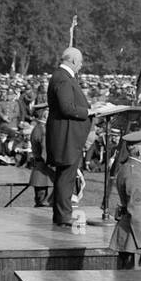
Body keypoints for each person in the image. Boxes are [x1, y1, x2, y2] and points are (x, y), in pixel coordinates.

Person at [46, 47, 90, 226]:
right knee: (65, 177)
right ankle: (63, 215)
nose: (81, 66)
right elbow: (66, 107)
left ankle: (62, 214)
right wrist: (89, 111)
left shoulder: (63, 77)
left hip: (67, 136)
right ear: (72, 61)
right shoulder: (63, 78)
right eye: (80, 62)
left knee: (66, 177)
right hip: (66, 137)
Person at [109, 130, 141, 269]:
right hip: (135, 238)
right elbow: (136, 211)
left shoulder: (132, 168)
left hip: (132, 235)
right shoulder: (134, 173)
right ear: (137, 150)